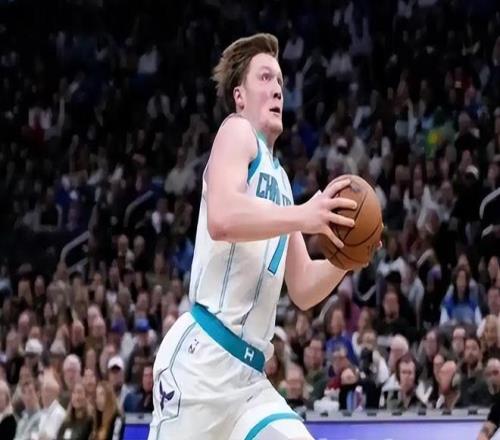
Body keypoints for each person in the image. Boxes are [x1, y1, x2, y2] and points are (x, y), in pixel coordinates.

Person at [149, 33, 365, 440]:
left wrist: (347, 259)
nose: (277, 89)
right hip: (203, 364)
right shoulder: (236, 133)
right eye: (265, 78)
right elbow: (223, 218)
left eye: (280, 81)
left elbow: (303, 288)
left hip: (250, 380)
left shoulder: (281, 181)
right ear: (240, 96)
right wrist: (304, 215)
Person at [477, 358, 500, 440]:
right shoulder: (497, 405)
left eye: (496, 373)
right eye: (488, 374)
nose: (492, 377)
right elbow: (489, 427)